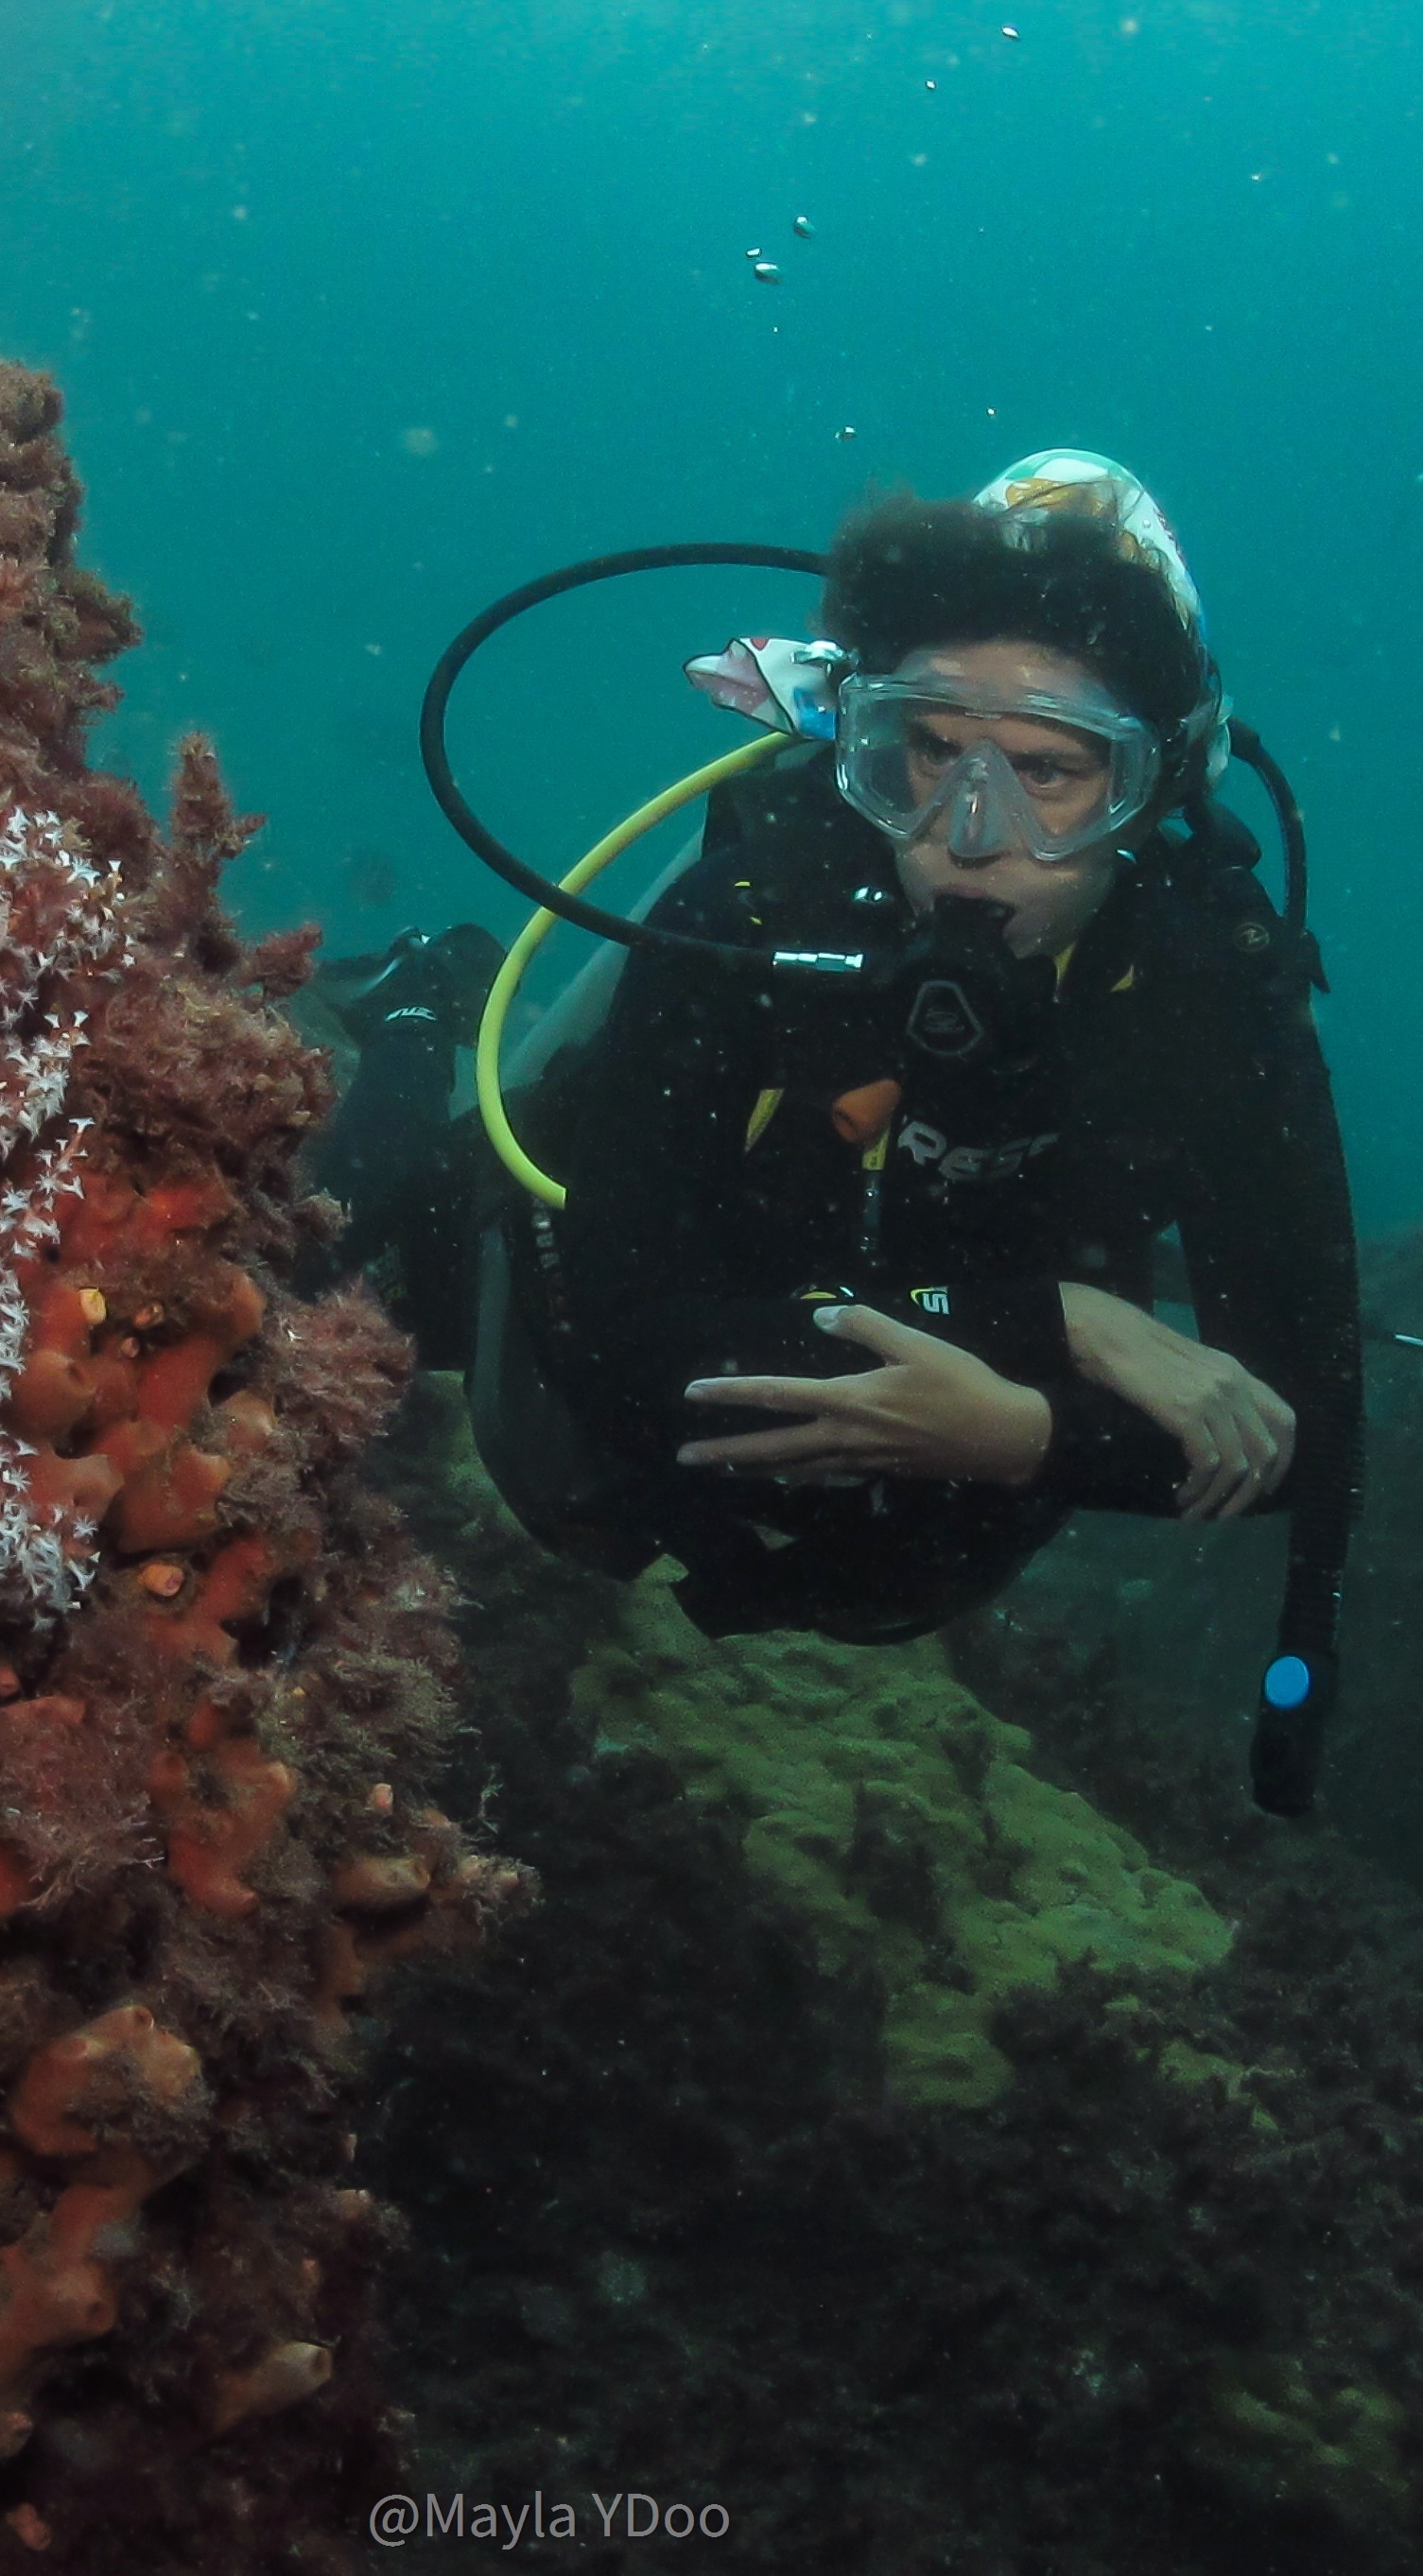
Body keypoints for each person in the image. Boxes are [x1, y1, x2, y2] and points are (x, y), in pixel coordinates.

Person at [311, 452, 1360, 1812]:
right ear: (861, 739)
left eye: (1049, 772)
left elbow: (1305, 1434)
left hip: (890, 1495)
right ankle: (413, 1017)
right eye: (926, 750)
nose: (967, 835)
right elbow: (626, 1327)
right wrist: (1054, 1332)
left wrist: (1018, 1440)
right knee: (359, 1251)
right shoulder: (757, 911)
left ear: (1153, 793)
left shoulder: (1213, 1001)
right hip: (597, 1351)